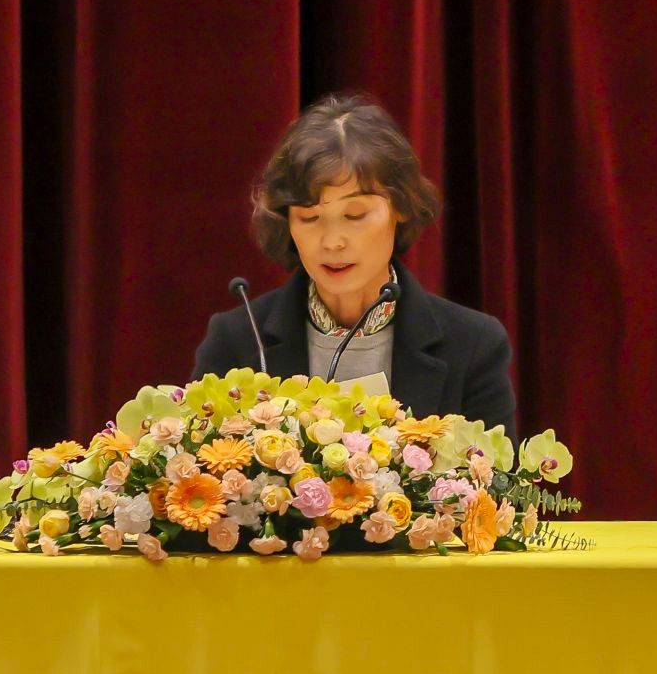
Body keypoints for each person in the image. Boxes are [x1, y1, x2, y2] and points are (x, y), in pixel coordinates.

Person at [194, 93, 517, 437]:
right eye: (310, 217)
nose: (333, 241)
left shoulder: (473, 345)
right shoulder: (238, 340)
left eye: (355, 215)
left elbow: (494, 473)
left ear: (401, 207)